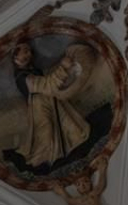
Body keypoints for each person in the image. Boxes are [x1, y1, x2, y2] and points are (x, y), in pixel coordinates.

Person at [9, 41, 92, 171]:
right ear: (15, 57)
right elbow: (45, 84)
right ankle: (45, 162)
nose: (29, 54)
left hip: (51, 99)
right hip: (39, 106)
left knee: (68, 123)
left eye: (29, 51)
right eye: (25, 51)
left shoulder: (34, 70)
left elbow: (49, 84)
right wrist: (63, 68)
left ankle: (70, 152)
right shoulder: (21, 77)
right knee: (46, 132)